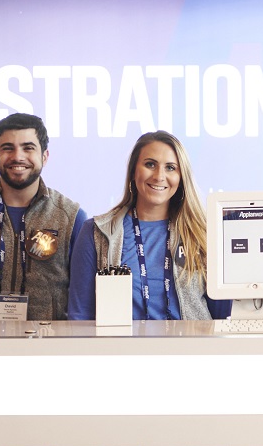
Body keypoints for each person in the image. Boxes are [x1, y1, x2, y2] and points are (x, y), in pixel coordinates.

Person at [67, 131, 227, 320]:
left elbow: (222, 315)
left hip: (191, 347)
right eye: (150, 164)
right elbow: (80, 315)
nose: (159, 176)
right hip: (123, 348)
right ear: (134, 171)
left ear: (181, 177)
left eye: (170, 168)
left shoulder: (203, 233)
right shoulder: (96, 232)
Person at [0, 113, 87, 321]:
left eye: (28, 148)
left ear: (45, 156)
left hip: (49, 344)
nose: (18, 156)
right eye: (8, 148)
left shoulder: (71, 216)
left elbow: (82, 293)